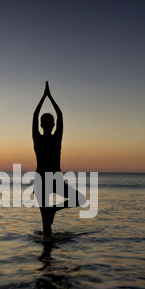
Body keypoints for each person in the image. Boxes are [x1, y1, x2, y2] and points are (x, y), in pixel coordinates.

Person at [32, 82, 85, 238]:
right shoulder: (56, 138)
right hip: (52, 178)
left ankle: (46, 256)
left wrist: (43, 97)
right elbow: (60, 115)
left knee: (46, 226)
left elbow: (35, 116)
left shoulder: (38, 138)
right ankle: (54, 210)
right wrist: (50, 97)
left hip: (43, 179)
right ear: (53, 125)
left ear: (41, 125)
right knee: (79, 199)